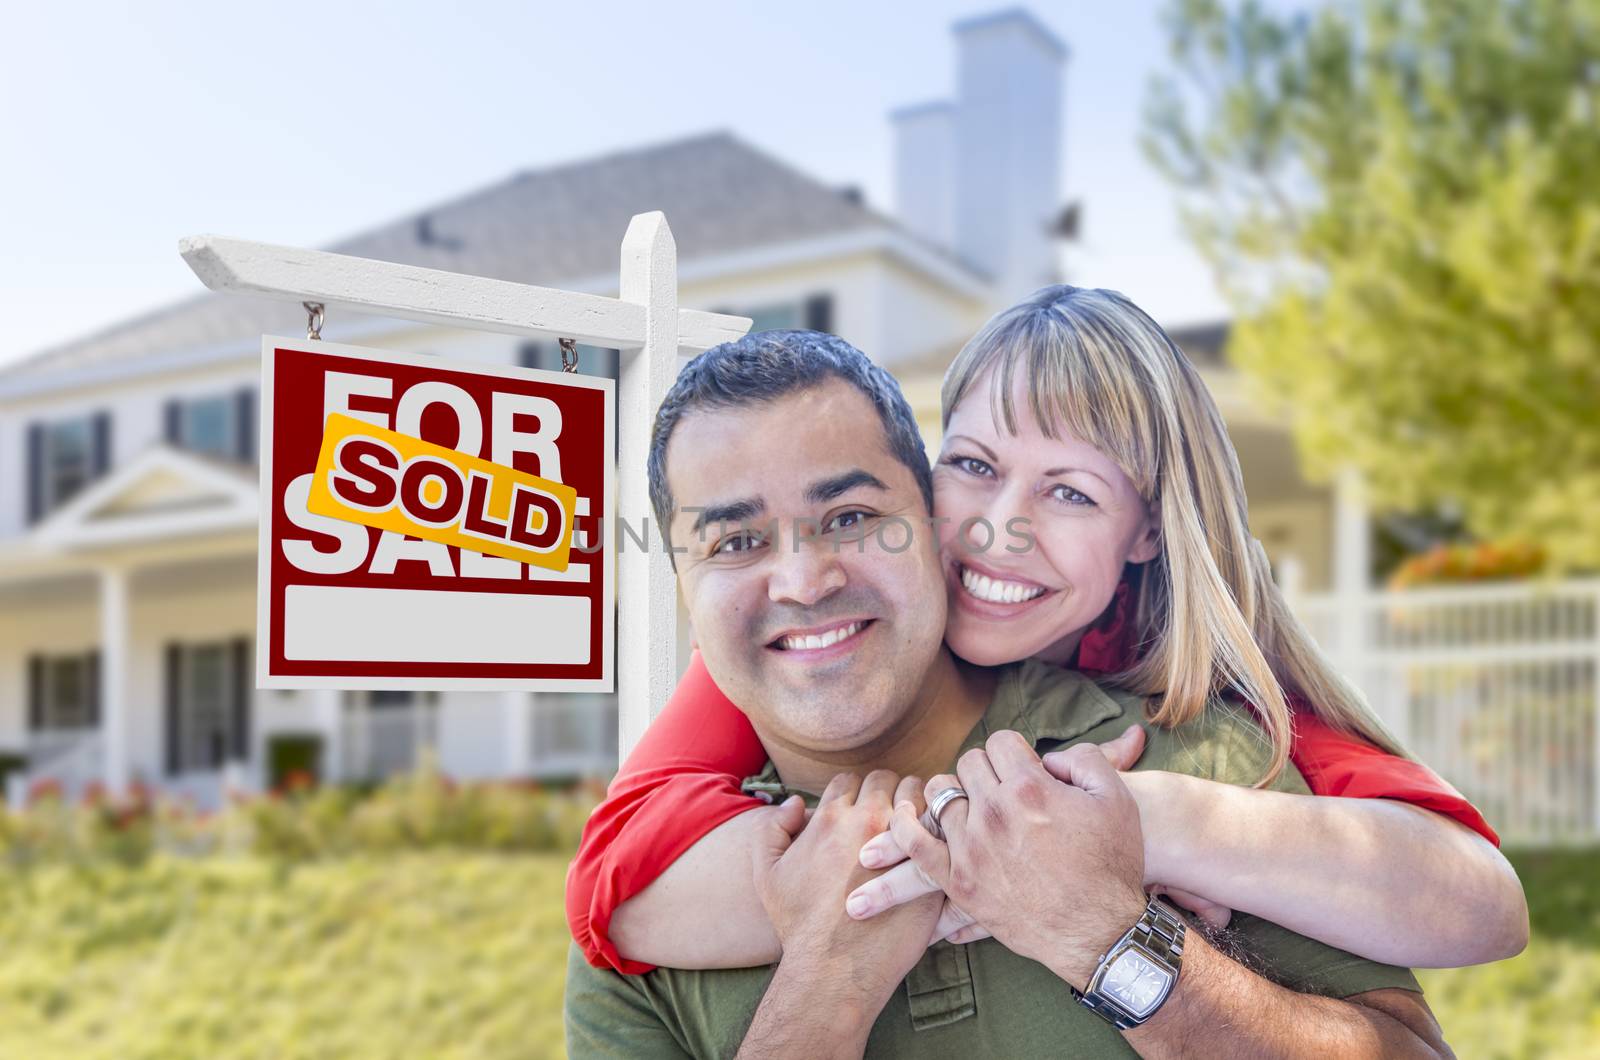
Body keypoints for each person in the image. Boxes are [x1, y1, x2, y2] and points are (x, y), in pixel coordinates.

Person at [566, 290, 1527, 978]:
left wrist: (1145, 823)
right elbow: (614, 875)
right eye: (975, 465)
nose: (996, 529)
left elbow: (1482, 903)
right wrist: (974, 860)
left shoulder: (1205, 694)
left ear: (1151, 528)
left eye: (1070, 491)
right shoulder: (840, 630)